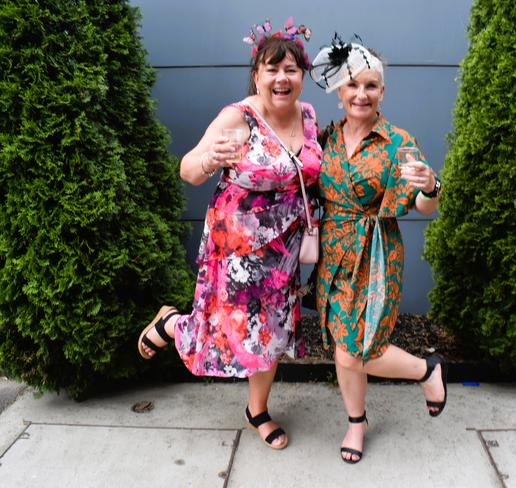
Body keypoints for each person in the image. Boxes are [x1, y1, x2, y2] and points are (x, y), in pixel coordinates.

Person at [137, 18, 321, 451]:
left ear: (302, 76)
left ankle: (257, 410)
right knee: (220, 332)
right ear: (256, 74)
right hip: (236, 253)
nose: (282, 78)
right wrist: (208, 160)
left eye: (291, 69)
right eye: (272, 69)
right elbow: (187, 169)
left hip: (285, 252)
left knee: (272, 333)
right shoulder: (237, 118)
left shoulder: (308, 115)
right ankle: (169, 323)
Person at [310, 36, 447, 464]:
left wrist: (431, 185)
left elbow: (424, 206)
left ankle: (427, 369)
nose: (361, 94)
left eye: (371, 86)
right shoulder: (324, 139)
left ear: (381, 92)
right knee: (341, 347)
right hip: (332, 255)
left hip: (375, 256)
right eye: (352, 86)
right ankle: (356, 421)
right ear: (339, 92)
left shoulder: (397, 142)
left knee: (360, 348)